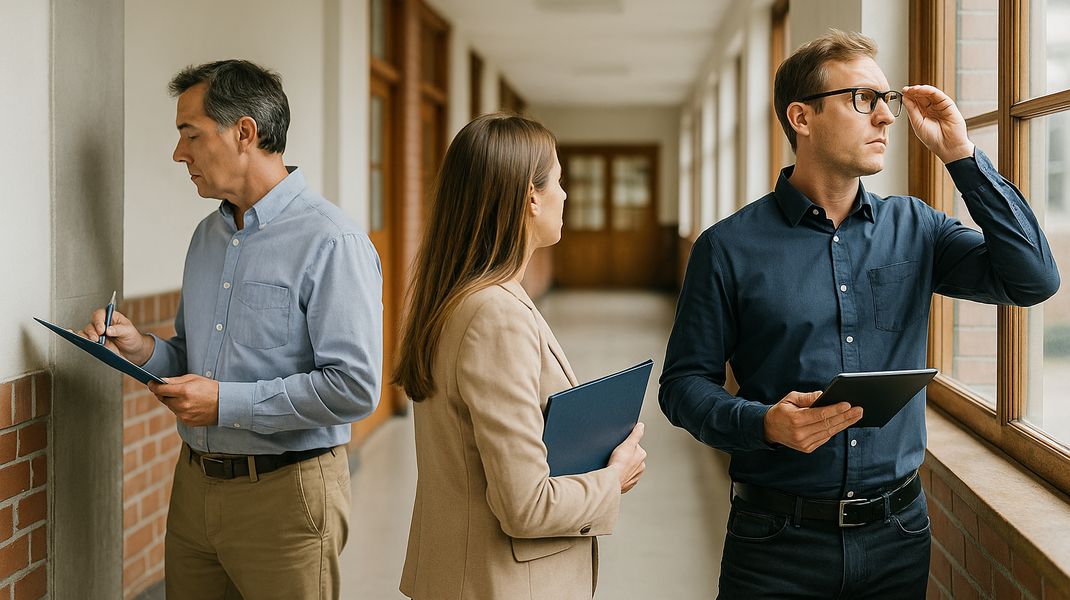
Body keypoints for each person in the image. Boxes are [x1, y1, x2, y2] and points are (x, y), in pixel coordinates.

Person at [660, 30, 1059, 599]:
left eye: (886, 99)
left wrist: (961, 156)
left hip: (897, 536)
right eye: (862, 99)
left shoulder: (917, 228)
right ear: (802, 117)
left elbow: (1033, 280)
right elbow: (682, 387)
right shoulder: (727, 248)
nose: (887, 118)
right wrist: (763, 423)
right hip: (775, 544)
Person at [79, 59, 383, 599]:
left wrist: (225, 404)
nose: (179, 154)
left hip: (288, 496)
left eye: (190, 135)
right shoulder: (206, 237)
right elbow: (191, 358)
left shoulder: (332, 241)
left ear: (244, 132)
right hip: (193, 490)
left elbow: (354, 387)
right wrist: (141, 347)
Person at [394, 113, 648, 600]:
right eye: (558, 179)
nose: (565, 194)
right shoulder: (494, 315)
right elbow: (525, 506)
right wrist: (611, 479)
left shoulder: (463, 298)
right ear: (530, 197)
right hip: (502, 584)